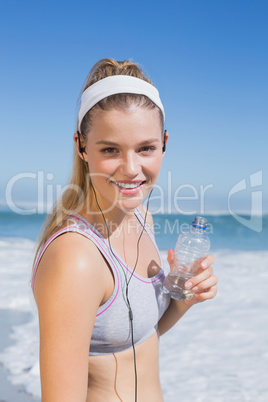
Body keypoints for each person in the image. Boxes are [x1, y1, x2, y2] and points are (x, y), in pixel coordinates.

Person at [31, 58, 218, 402]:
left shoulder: (140, 219)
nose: (131, 169)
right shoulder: (76, 258)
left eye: (146, 148)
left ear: (164, 142)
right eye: (110, 150)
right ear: (81, 147)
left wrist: (183, 299)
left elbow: (140, 336)